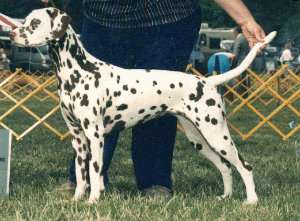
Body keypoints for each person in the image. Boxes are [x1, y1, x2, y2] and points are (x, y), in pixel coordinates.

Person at [62, 0, 266, 198]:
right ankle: (84, 180)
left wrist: (245, 21)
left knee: (161, 104)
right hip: (103, 18)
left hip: (168, 16)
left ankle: (154, 181)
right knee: (90, 109)